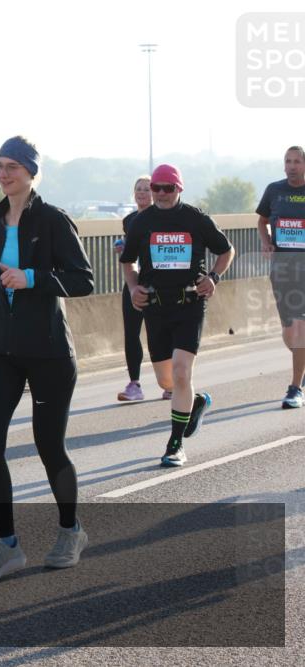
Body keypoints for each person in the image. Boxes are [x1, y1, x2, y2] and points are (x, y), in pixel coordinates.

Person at [0, 136, 94, 582]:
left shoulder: (53, 220)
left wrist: (33, 277)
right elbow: (3, 276)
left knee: (48, 446)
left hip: (50, 352)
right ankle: (7, 546)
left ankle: (71, 531)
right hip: (3, 349)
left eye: (13, 166)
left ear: (32, 171)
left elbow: (83, 280)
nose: (4, 173)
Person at [120, 164, 235, 467]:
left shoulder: (195, 219)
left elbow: (226, 251)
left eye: (167, 188)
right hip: (155, 306)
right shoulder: (140, 223)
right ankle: (194, 402)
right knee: (167, 382)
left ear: (179, 189)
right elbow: (128, 262)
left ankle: (175, 444)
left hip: (189, 302)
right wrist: (133, 289)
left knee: (183, 372)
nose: (160, 194)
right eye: (155, 188)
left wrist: (213, 277)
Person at [115, 176, 173, 401]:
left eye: (146, 189)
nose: (141, 193)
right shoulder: (129, 220)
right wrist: (123, 247)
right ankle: (134, 384)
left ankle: (169, 384)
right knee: (131, 332)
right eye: (137, 189)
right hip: (134, 281)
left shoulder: (162, 218)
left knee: (159, 332)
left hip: (157, 282)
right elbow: (132, 248)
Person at [256, 145, 305, 409]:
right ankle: (302, 365)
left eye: (297, 161)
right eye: (288, 161)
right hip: (282, 268)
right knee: (288, 332)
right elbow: (262, 221)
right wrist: (266, 243)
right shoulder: (274, 190)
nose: (292, 166)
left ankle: (295, 387)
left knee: (299, 328)